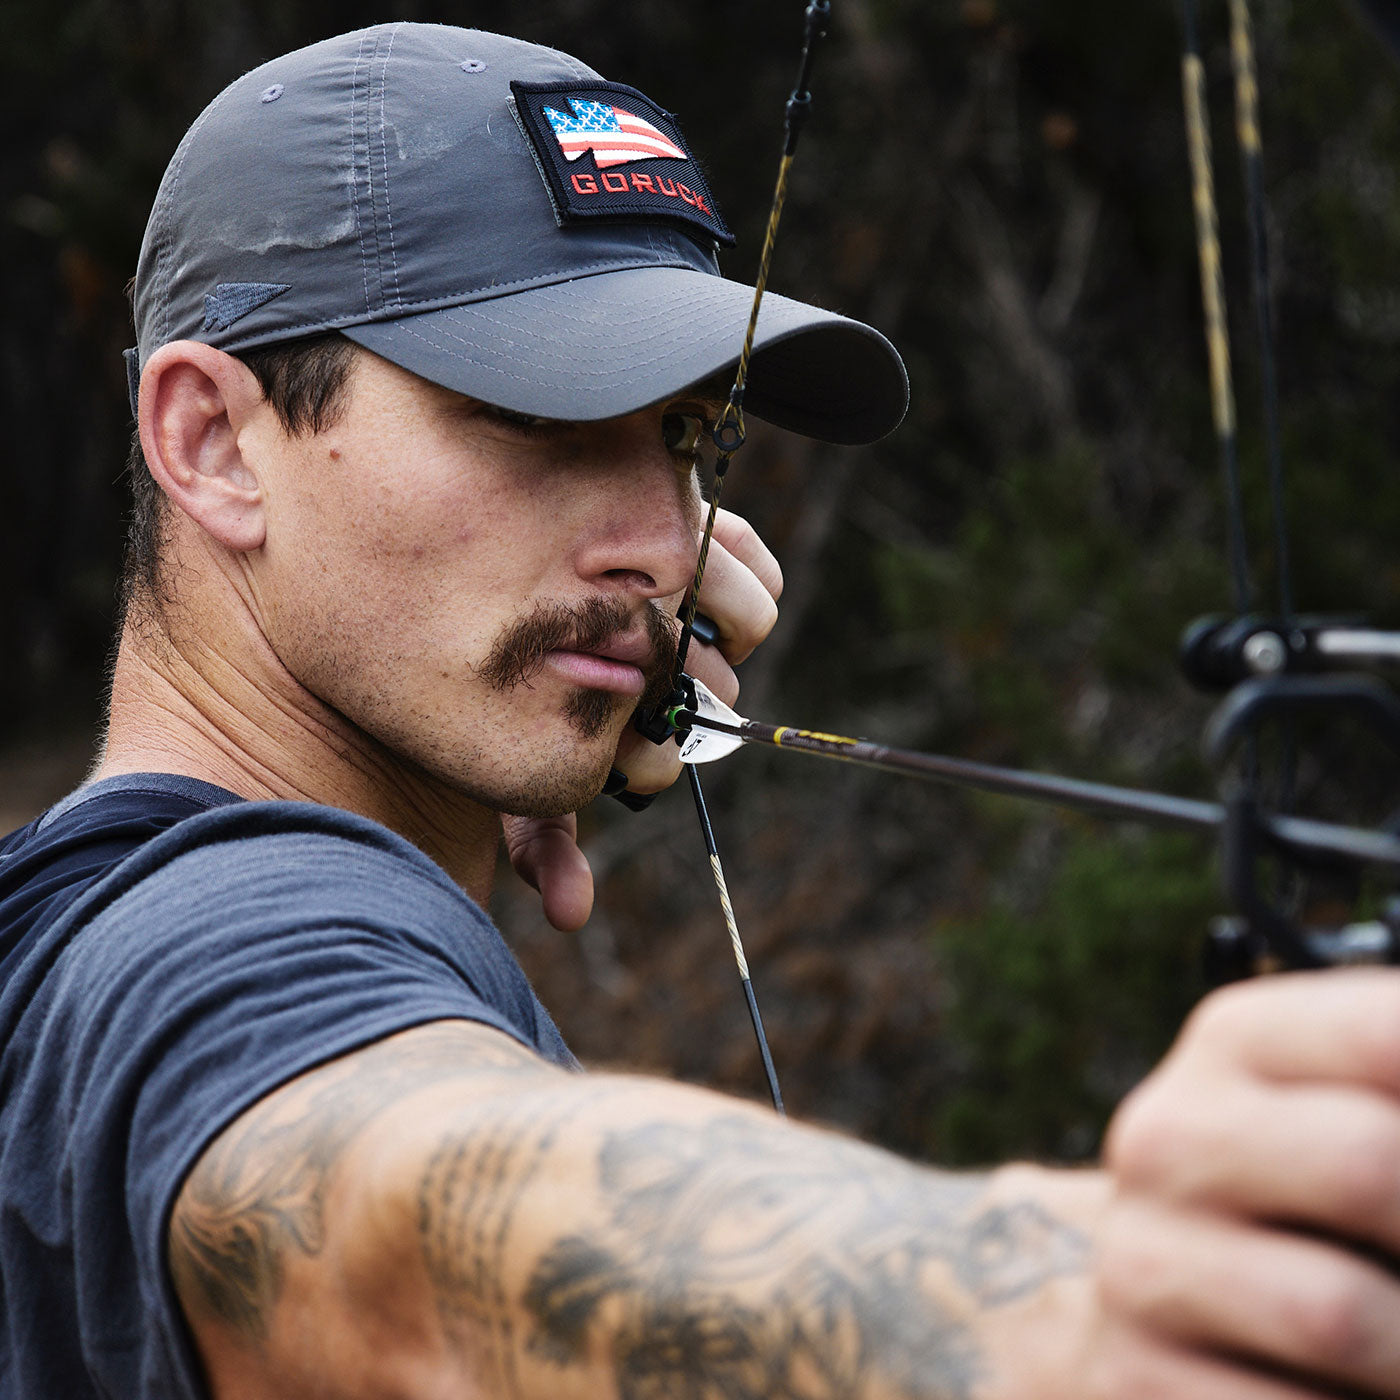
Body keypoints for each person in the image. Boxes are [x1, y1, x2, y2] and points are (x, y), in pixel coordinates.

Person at [5, 20, 1400, 1400]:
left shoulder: (86, 928)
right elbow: (389, 1224)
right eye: (537, 423)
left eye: (684, 436)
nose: (661, 545)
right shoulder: (201, 947)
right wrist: (1073, 1314)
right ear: (210, 444)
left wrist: (487, 762)